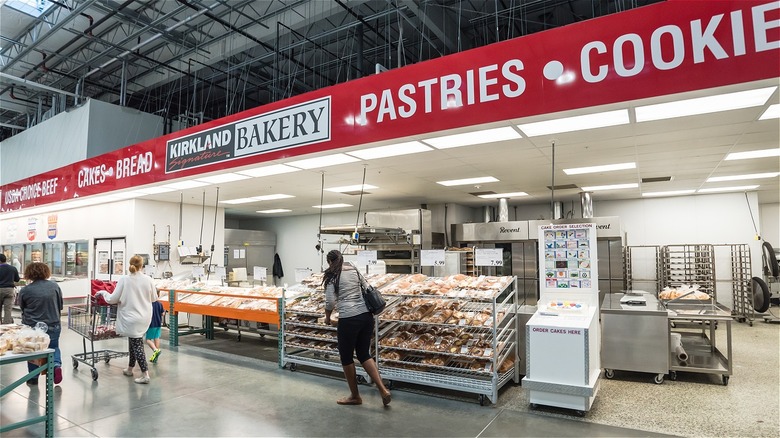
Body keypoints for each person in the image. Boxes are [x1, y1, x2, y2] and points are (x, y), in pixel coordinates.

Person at [323, 250, 391, 406]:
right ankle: (383, 389)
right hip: (366, 316)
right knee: (363, 353)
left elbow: (330, 302)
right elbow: (366, 285)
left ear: (329, 262)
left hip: (348, 318)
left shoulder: (331, 275)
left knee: (346, 357)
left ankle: (355, 396)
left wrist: (327, 317)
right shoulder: (353, 267)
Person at [97, 255, 157, 384]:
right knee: (134, 341)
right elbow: (154, 299)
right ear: (142, 265)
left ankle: (145, 374)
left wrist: (103, 293)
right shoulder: (149, 279)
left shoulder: (124, 279)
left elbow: (112, 299)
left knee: (137, 344)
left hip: (130, 317)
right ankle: (130, 369)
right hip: (144, 316)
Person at [17, 262, 64, 385]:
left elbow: (22, 307)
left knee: (33, 351)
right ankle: (56, 366)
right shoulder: (54, 286)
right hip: (53, 323)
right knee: (53, 347)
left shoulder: (25, 290)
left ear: (29, 274)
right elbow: (60, 305)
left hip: (33, 327)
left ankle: (33, 377)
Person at [0, 254, 21, 324]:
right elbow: (17, 279)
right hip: (9, 290)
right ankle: (6, 325)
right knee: (8, 309)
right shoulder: (13, 268)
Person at [146, 298, 165, 363]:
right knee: (156, 338)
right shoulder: (160, 304)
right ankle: (156, 355)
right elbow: (163, 313)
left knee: (148, 339)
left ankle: (155, 350)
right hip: (158, 324)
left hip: (151, 324)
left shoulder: (148, 304)